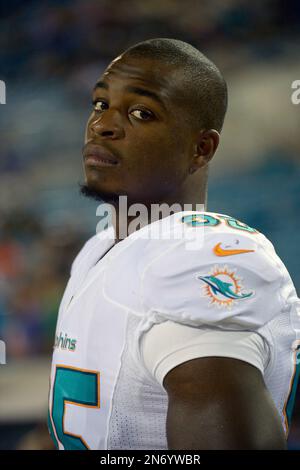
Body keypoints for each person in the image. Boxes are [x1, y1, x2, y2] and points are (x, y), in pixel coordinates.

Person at [47, 38, 300, 450]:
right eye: (99, 104)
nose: (102, 124)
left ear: (201, 149)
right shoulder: (100, 249)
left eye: (141, 113)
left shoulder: (193, 260)